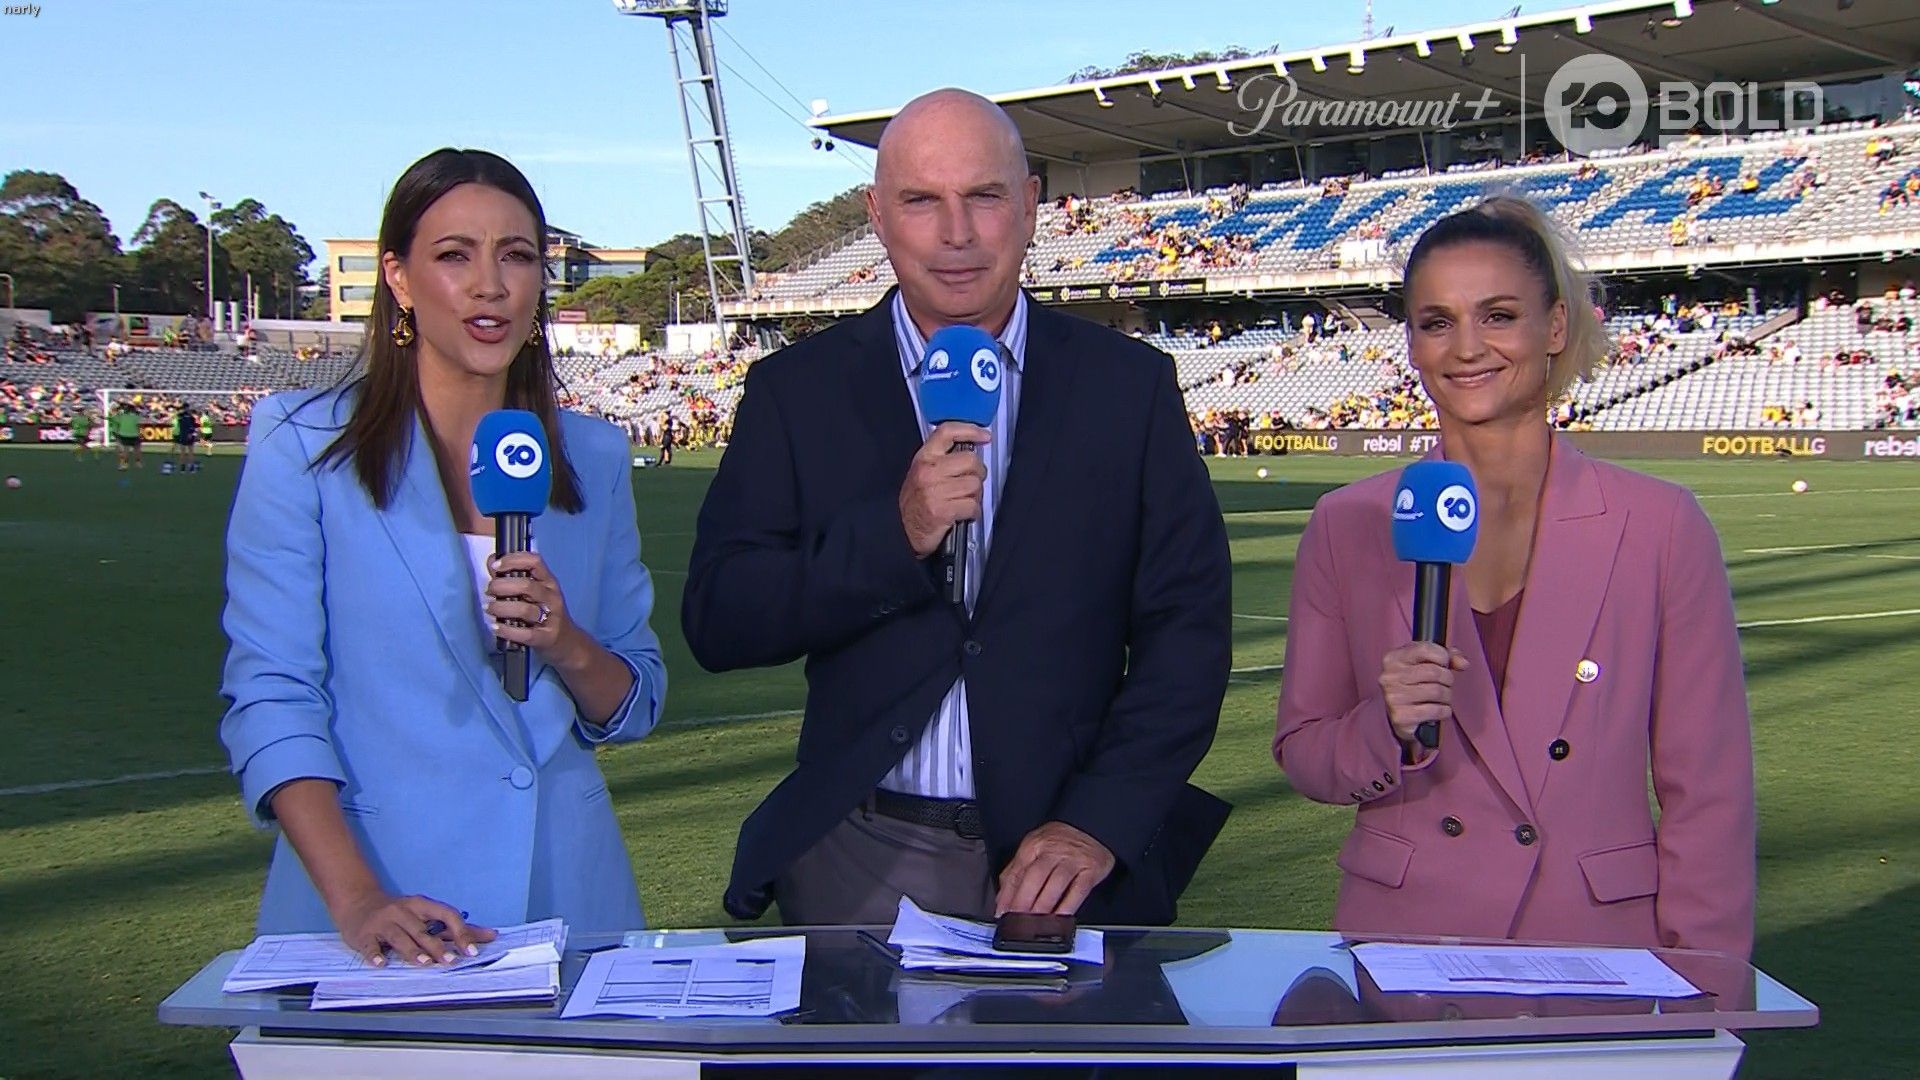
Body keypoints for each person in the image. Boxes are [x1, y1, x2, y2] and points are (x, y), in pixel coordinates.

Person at [684, 89, 1232, 928]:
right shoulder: (797, 393)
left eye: (984, 196)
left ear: (1030, 205)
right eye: (921, 200)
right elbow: (720, 620)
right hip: (860, 854)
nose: (957, 233)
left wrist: (1097, 822)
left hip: (1063, 861)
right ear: (877, 215)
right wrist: (894, 535)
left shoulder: (1128, 388)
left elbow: (1187, 633)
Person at [1272, 195, 1756, 959]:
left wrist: (1708, 985)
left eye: (1498, 316)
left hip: (1596, 951)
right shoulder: (1347, 523)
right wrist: (1383, 725)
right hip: (1406, 949)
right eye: (1436, 322)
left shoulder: (1661, 525)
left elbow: (1710, 793)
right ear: (1411, 344)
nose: (1467, 348)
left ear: (1555, 326)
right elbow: (1306, 754)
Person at [219, 148, 668, 964]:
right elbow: (272, 697)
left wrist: (565, 643)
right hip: (374, 907)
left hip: (569, 904)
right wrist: (359, 899)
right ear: (398, 277)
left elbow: (634, 702)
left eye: (516, 256)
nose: (490, 285)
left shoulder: (595, 458)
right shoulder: (302, 446)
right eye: (455, 256)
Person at [110, 402, 142, 470]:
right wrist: (139, 433)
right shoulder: (136, 416)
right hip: (134, 435)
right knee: (137, 448)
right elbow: (139, 425)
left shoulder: (120, 416)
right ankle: (138, 462)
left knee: (126, 449)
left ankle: (125, 464)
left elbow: (114, 419)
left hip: (124, 435)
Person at [172, 403, 197, 473]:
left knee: (187, 452)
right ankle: (186, 467)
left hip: (185, 435)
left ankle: (186, 467)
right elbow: (193, 426)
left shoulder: (183, 416)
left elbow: (193, 426)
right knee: (187, 452)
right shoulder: (188, 416)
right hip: (185, 435)